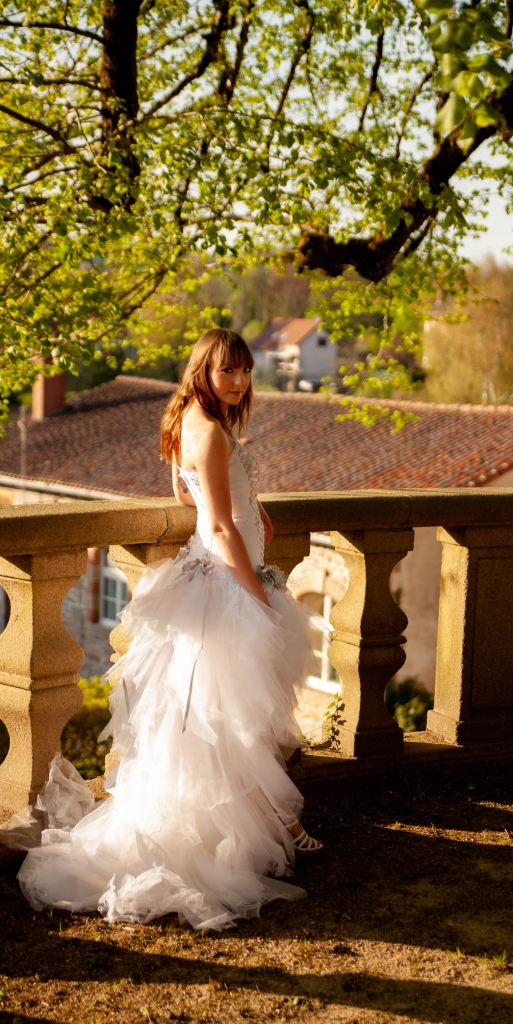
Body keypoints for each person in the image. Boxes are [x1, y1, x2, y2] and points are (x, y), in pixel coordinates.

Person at [15, 329, 322, 931]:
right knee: (226, 721)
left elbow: (185, 494)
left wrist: (248, 502)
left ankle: (274, 827)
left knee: (222, 721)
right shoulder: (208, 429)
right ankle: (278, 830)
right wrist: (256, 590)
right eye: (227, 371)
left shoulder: (197, 419)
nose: (238, 382)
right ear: (204, 371)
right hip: (226, 584)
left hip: (217, 575)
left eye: (245, 372)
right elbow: (219, 526)